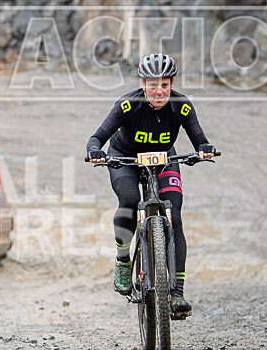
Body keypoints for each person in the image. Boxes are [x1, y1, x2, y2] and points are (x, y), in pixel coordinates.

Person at [85, 53, 215, 314]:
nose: (159, 91)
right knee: (129, 200)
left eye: (165, 85)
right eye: (153, 85)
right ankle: (123, 261)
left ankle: (177, 294)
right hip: (125, 157)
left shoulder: (182, 105)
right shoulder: (127, 104)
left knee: (174, 215)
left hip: (164, 159)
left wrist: (204, 148)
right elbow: (96, 138)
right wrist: (95, 151)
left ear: (171, 84)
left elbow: (200, 139)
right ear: (142, 84)